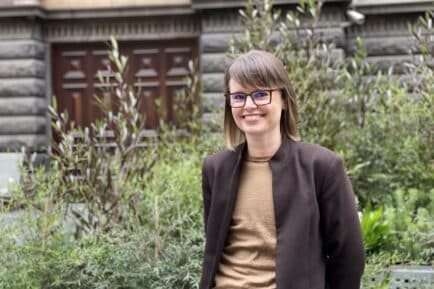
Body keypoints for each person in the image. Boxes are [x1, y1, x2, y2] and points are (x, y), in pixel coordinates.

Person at [199, 50, 365, 289]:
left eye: (260, 94)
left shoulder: (322, 167)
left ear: (284, 99)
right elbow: (214, 248)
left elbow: (348, 257)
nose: (249, 105)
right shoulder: (216, 169)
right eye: (238, 97)